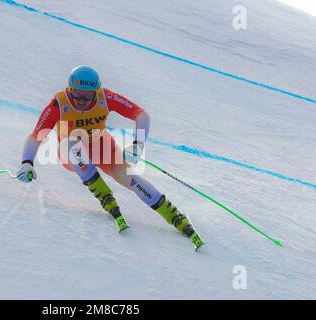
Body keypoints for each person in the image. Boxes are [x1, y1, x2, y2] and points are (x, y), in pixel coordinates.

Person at [16, 66, 203, 249]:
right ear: (70, 89)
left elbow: (141, 115)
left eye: (88, 95)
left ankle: (173, 215)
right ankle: (104, 196)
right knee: (72, 145)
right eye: (77, 94)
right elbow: (36, 135)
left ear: (96, 92)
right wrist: (27, 162)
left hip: (102, 147)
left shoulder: (105, 97)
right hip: (71, 152)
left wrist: (138, 145)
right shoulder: (59, 103)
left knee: (129, 178)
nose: (81, 100)